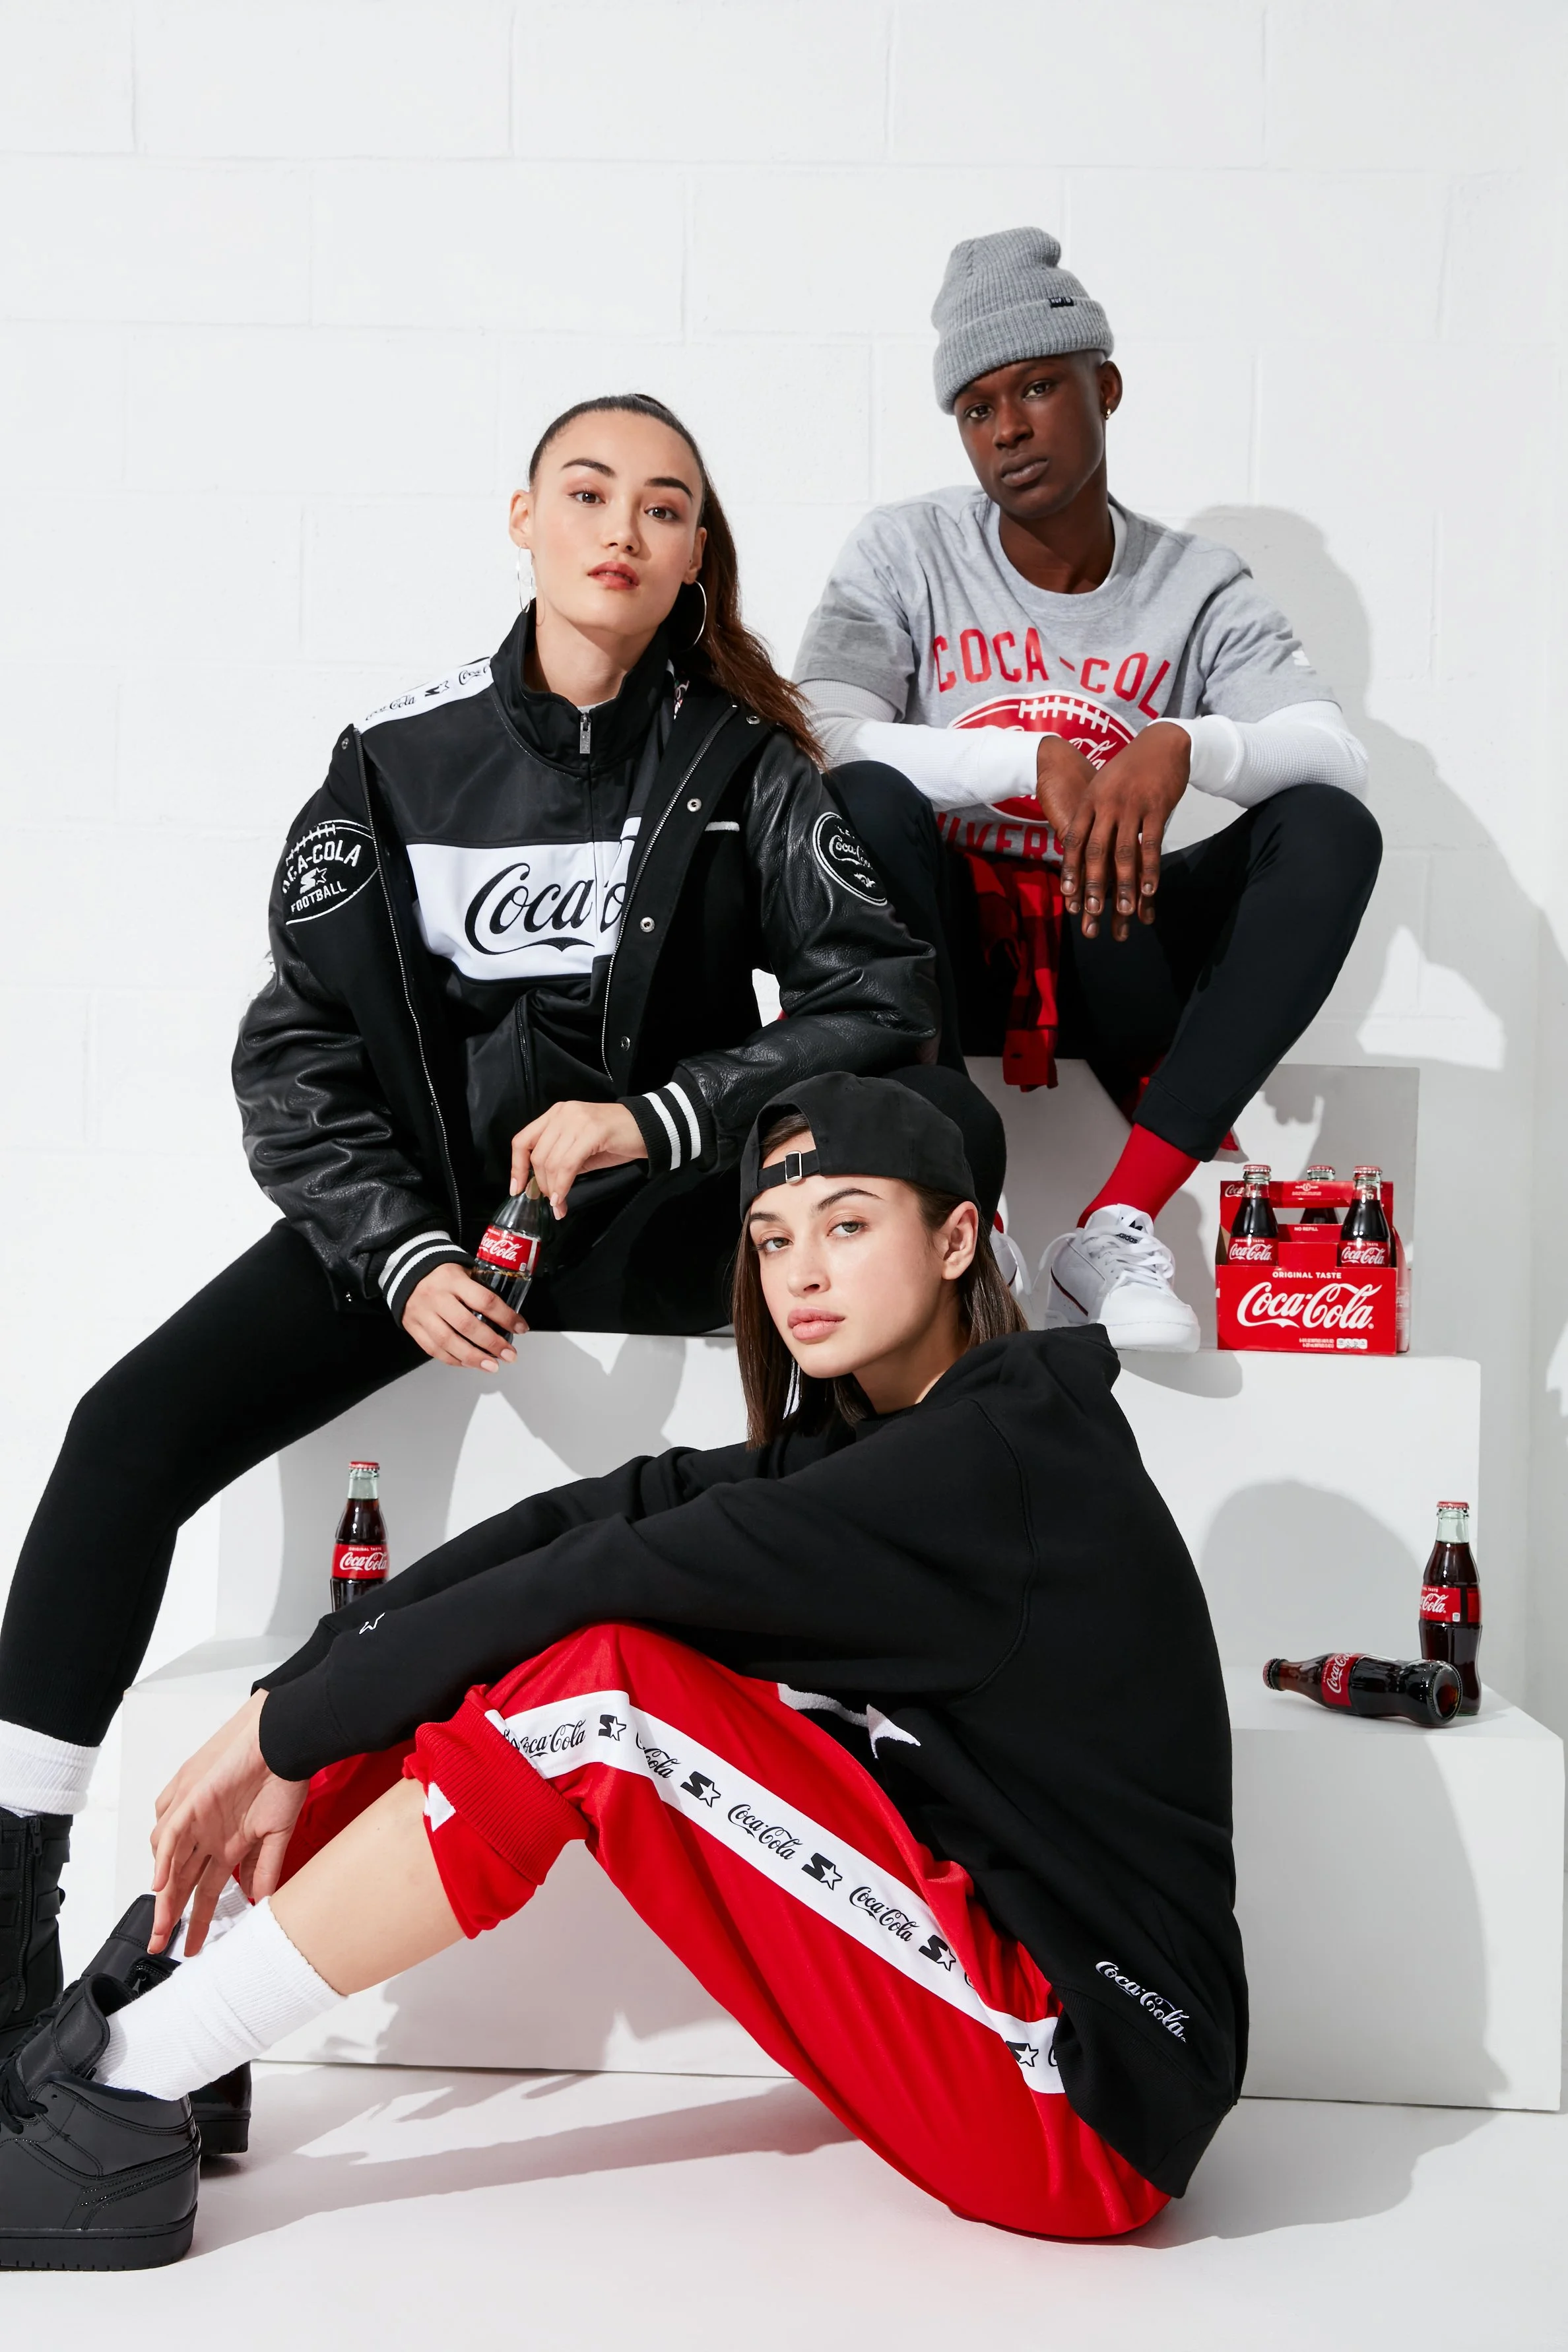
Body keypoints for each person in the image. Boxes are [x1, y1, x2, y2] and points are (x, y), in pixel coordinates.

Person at [0, 395, 938, 2095]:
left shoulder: (742, 766)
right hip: (431, 1233)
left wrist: (659, 1119)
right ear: (523, 520)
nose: (624, 530)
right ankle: (9, 1928)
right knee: (121, 1433)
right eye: (589, 492)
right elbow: (295, 1055)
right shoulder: (396, 758)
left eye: (667, 508)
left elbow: (881, 998)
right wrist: (402, 1256)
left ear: (696, 556)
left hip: (653, 1224)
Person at [0, 1070, 1245, 2267]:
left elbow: (604, 1574)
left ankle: (120, 2094)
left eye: (847, 1225)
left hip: (1086, 2092)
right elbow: (580, 1522)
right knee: (480, 1643)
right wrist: (292, 1701)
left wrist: (289, 1732)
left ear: (958, 1239)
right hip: (996, 1991)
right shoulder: (880, 1446)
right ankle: (162, 2022)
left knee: (598, 1692)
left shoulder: (990, 1464)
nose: (801, 1274)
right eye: (771, 1240)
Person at [797, 225, 1384, 1354]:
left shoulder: (1194, 581)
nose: (1008, 428)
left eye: (1037, 388)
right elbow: (819, 735)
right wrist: (1028, 762)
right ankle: (973, 1220)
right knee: (861, 804)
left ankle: (1115, 1227)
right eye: (976, 408)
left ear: (1104, 388)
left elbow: (1332, 750)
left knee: (1328, 827)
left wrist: (1183, 745)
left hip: (1117, 939)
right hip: (947, 956)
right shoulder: (907, 550)